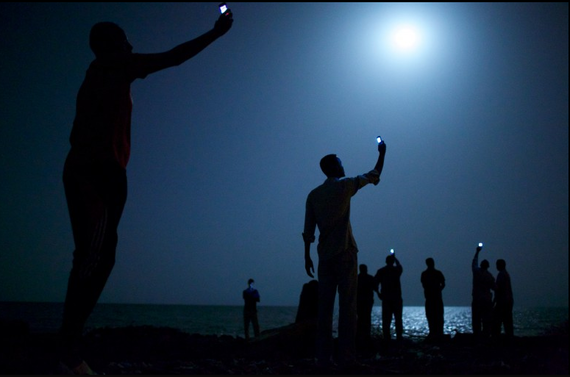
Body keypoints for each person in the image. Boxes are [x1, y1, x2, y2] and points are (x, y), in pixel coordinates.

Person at [58, 9, 234, 374]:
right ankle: (66, 351)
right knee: (95, 257)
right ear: (111, 45)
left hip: (95, 170)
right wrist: (215, 34)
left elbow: (78, 131)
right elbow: (171, 57)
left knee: (96, 257)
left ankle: (68, 346)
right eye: (125, 38)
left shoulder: (100, 76)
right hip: (97, 171)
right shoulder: (110, 67)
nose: (132, 43)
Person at [302, 139, 387, 368]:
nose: (343, 166)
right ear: (334, 168)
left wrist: (307, 256)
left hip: (324, 257)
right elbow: (374, 174)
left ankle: (323, 358)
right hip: (345, 253)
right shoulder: (345, 186)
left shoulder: (314, 195)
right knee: (348, 307)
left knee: (325, 310)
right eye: (340, 163)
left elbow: (308, 232)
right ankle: (347, 357)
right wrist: (382, 153)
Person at [374, 252, 404, 341]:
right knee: (398, 319)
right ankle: (399, 337)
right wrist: (395, 258)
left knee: (386, 319)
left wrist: (378, 293)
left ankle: (387, 338)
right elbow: (399, 266)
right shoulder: (396, 270)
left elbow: (375, 283)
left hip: (386, 298)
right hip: (396, 298)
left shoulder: (381, 271)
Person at [471, 245, 495, 339]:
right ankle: (486, 335)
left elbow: (474, 262)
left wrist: (477, 252)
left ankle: (477, 335)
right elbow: (494, 287)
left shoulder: (476, 272)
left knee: (476, 319)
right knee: (486, 319)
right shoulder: (490, 276)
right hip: (486, 300)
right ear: (488, 267)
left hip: (477, 299)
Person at [420, 257, 446, 340]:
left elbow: (424, 285)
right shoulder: (435, 273)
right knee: (434, 316)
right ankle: (435, 333)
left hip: (432, 298)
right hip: (433, 298)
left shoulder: (425, 274)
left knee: (433, 316)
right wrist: (438, 290)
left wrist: (437, 290)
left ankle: (436, 333)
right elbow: (443, 284)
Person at [356, 264, 378, 348]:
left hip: (360, 301)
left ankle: (359, 335)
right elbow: (375, 288)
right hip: (367, 301)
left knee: (360, 318)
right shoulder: (369, 278)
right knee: (366, 318)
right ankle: (366, 335)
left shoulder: (357, 278)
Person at [493, 259, 514, 339]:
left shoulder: (501, 275)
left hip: (503, 302)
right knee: (507, 320)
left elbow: (499, 289)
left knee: (497, 320)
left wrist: (494, 301)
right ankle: (509, 336)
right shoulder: (506, 274)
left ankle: (497, 337)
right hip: (508, 301)